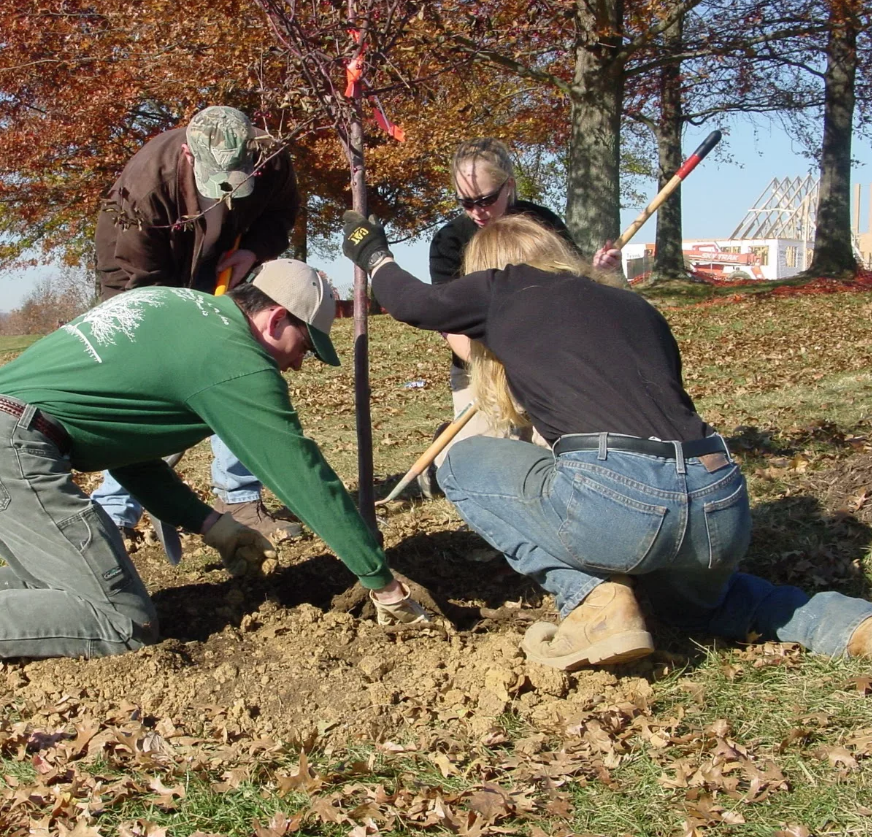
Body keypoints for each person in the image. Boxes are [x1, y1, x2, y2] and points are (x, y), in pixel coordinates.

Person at [0, 260, 430, 686]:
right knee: (121, 621)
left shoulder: (179, 309)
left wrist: (209, 524)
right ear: (274, 320)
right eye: (303, 346)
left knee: (53, 580)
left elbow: (124, 448)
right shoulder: (237, 358)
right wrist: (381, 581)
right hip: (12, 448)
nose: (298, 366)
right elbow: (301, 473)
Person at [340, 212, 872, 670]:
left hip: (623, 500)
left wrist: (373, 253)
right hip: (719, 500)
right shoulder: (634, 307)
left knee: (462, 462)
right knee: (706, 607)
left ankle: (596, 603)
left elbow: (414, 303)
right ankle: (850, 623)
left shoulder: (504, 286)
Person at [92, 105, 303, 543]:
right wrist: (178, 337)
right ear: (189, 154)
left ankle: (240, 500)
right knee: (153, 388)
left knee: (239, 368)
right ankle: (114, 511)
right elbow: (142, 278)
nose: (225, 189)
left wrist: (255, 251)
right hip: (141, 279)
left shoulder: (271, 158)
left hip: (226, 266)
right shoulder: (147, 184)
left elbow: (281, 213)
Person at [419, 139, 621, 494]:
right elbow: (450, 326)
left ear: (509, 185)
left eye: (486, 199)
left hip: (547, 359)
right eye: (466, 202)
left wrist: (597, 273)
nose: (477, 210)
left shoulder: (541, 223)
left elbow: (570, 286)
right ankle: (442, 457)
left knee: (561, 453)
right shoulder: (450, 242)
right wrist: (502, 370)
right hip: (480, 361)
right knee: (486, 460)